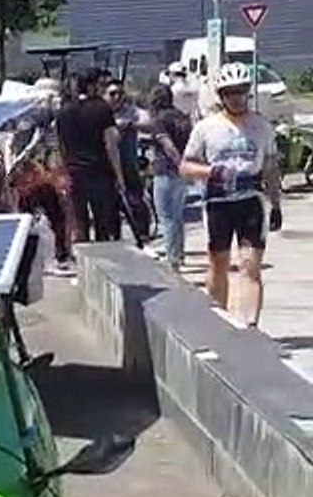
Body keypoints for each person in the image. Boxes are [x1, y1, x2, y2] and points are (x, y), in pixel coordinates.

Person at [180, 62, 284, 328]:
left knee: (250, 264)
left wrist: (276, 203)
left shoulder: (261, 126)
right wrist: (212, 172)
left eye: (241, 91)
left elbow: (271, 167)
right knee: (219, 262)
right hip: (218, 201)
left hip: (251, 200)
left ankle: (250, 325)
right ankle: (218, 319)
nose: (236, 98)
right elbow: (186, 166)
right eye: (230, 93)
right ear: (221, 96)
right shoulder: (206, 128)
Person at [56, 67, 127, 243]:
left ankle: (83, 262)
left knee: (80, 224)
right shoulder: (101, 109)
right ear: (91, 86)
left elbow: (61, 146)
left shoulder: (64, 111)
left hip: (74, 172)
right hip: (99, 172)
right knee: (103, 223)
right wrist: (119, 176)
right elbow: (110, 144)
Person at [148, 84, 194, 271]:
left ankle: (172, 258)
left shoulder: (160, 120)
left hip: (165, 170)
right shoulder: (181, 117)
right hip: (181, 173)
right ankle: (180, 254)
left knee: (166, 216)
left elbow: (167, 145)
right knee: (177, 216)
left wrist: (178, 162)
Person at [103, 79, 154, 243]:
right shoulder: (100, 113)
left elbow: (149, 122)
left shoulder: (130, 111)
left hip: (128, 165)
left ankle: (143, 235)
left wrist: (131, 124)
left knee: (136, 202)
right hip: (106, 167)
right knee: (109, 207)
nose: (117, 97)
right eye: (112, 94)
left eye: (120, 93)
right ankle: (114, 238)